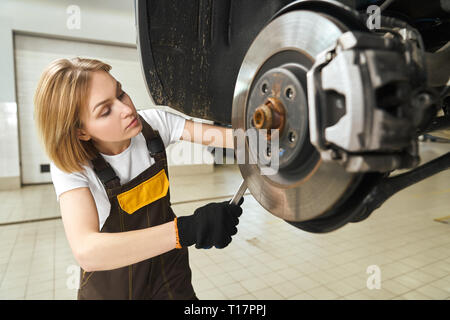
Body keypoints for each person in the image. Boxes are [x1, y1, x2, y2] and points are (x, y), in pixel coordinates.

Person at [34, 57, 244, 300]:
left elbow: (236, 140)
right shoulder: (71, 166)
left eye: (120, 93)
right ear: (81, 131)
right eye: (105, 111)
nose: (126, 110)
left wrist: (276, 139)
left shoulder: (153, 126)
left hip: (169, 273)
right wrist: (186, 230)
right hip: (113, 283)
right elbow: (87, 251)